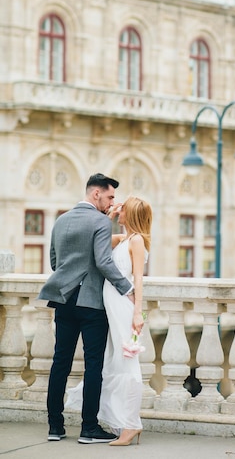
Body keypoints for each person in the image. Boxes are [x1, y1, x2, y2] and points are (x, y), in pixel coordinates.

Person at [38, 173, 139, 444]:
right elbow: (104, 262)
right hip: (92, 303)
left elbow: (54, 261)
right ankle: (88, 428)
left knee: (60, 362)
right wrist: (128, 290)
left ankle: (55, 427)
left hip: (63, 299)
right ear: (96, 194)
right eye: (109, 197)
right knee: (94, 366)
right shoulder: (100, 222)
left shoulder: (61, 220)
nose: (112, 202)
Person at [65, 195, 152, 447]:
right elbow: (97, 237)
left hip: (124, 310)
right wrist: (109, 216)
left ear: (132, 213)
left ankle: (131, 425)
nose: (118, 210)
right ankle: (121, 420)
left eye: (122, 208)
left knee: (127, 364)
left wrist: (138, 312)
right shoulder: (123, 239)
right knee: (111, 362)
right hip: (111, 309)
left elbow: (138, 279)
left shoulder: (136, 241)